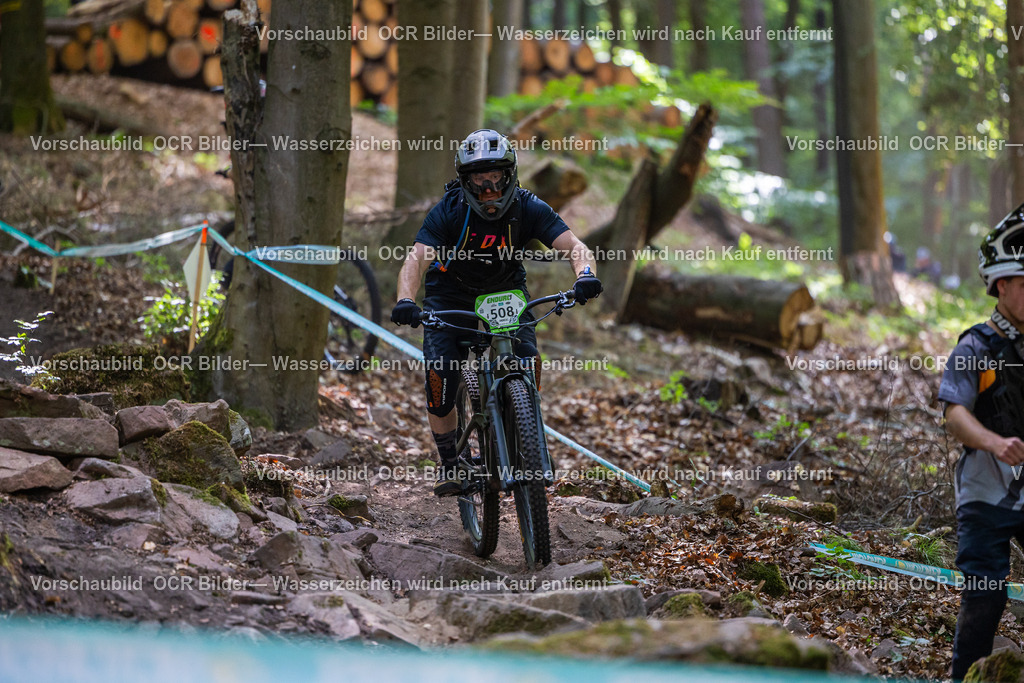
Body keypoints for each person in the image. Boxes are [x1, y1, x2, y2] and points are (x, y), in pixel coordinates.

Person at [390, 129, 602, 497]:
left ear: (510, 175)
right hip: (450, 294)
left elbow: (574, 246)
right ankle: (450, 462)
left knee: (527, 357)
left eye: (496, 178)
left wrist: (585, 275)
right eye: (479, 180)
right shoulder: (447, 211)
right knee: (441, 378)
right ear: (465, 182)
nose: (489, 189)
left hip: (505, 290)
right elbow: (416, 259)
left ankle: (526, 428)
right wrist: (406, 299)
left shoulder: (528, 206)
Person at [941, 202, 1024, 680]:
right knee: (985, 596)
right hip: (985, 494)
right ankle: (966, 678)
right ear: (1001, 285)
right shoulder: (976, 346)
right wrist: (994, 443)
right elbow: (954, 413)